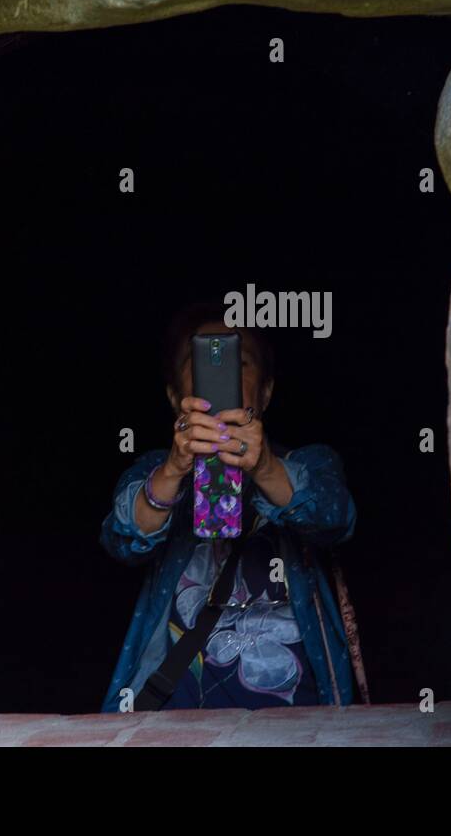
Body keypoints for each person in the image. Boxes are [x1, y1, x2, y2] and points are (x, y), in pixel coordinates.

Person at [99, 303, 358, 711]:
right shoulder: (157, 469)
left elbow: (335, 518)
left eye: (242, 361)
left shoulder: (309, 463)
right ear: (174, 395)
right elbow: (122, 537)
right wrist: (174, 469)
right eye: (201, 361)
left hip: (294, 713)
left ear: (266, 391)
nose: (225, 373)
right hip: (177, 712)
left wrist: (265, 467)